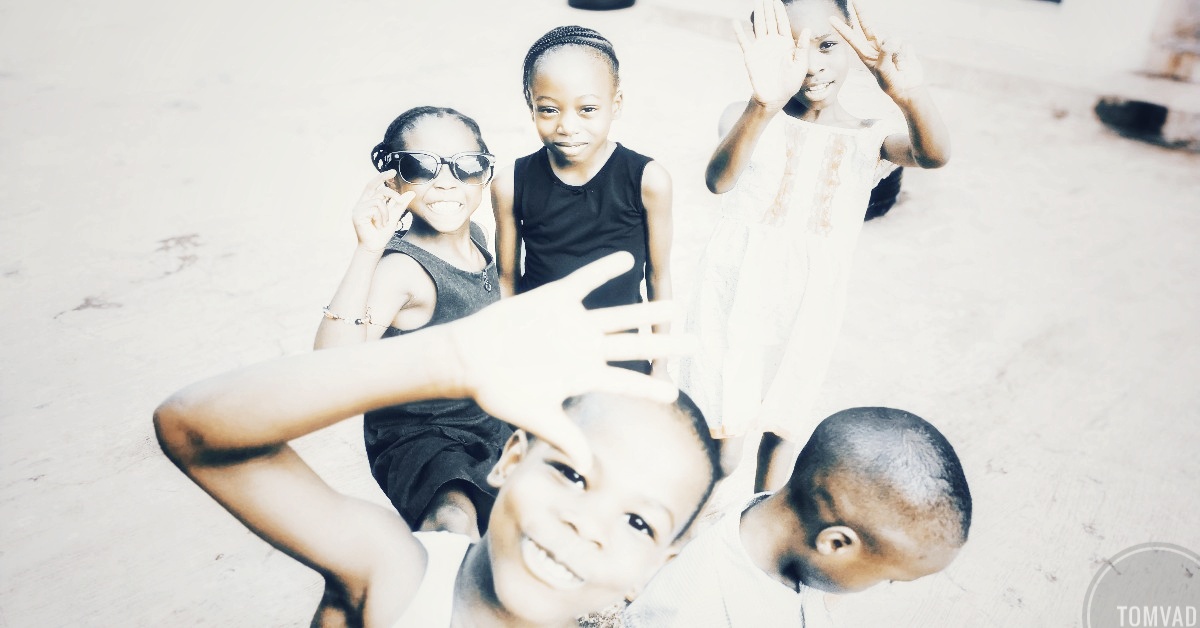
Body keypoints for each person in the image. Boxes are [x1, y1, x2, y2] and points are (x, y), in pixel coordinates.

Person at [154, 252, 723, 627]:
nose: (587, 525)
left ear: (659, 562)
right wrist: (448, 359)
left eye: (638, 522)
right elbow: (191, 429)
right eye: (572, 474)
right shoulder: (393, 575)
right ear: (512, 458)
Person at [679, 0, 951, 491]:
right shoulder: (746, 117)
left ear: (848, 45)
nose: (812, 65)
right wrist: (760, 106)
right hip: (735, 296)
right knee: (721, 444)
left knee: (782, 424)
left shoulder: (867, 139)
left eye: (827, 45)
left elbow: (933, 155)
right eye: (793, 50)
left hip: (807, 307)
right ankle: (693, 528)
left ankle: (756, 522)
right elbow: (719, 181)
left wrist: (910, 97)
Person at [313, 106, 507, 540]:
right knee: (453, 517)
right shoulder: (402, 271)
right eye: (421, 166)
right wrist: (367, 249)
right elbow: (330, 367)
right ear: (393, 178)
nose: (446, 181)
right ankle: (436, 592)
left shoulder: (475, 235)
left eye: (466, 166)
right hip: (423, 436)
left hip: (483, 418)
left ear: (485, 175)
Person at [624, 406, 972, 627]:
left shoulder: (795, 553)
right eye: (885, 577)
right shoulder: (691, 610)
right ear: (835, 543)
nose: (878, 588)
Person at [492, 25, 674, 376]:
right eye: (548, 110)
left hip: (621, 354)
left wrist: (661, 363)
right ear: (530, 104)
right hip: (541, 354)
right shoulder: (511, 183)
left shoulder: (649, 180)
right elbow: (507, 279)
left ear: (615, 104)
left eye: (587, 109)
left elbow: (659, 277)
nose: (567, 126)